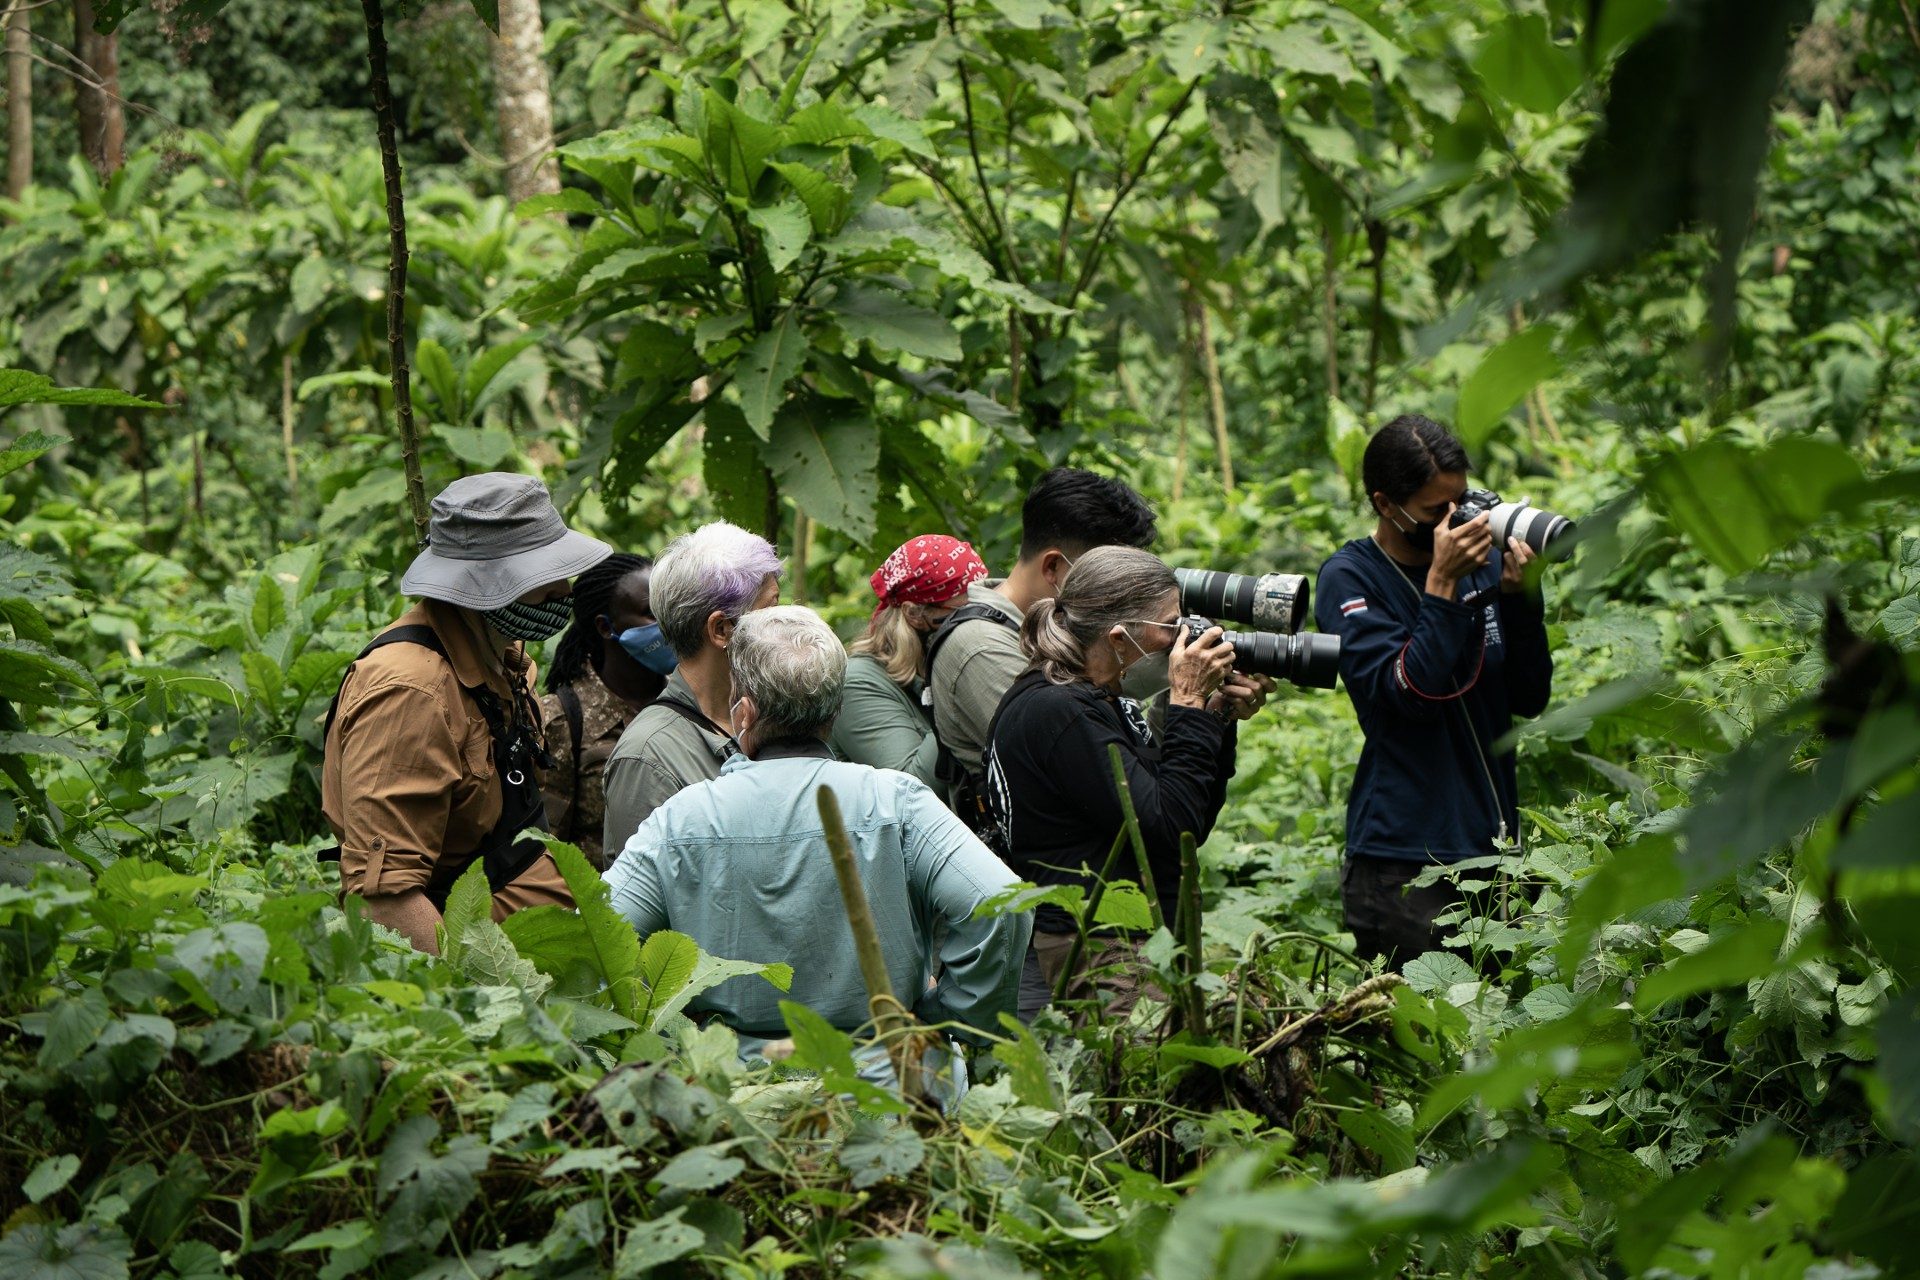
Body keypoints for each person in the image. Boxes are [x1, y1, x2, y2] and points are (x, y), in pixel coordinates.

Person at [605, 606, 1031, 1084]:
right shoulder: (896, 801)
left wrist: (667, 1038)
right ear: (835, 711)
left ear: (743, 712)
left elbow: (601, 939)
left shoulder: (680, 820)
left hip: (733, 1098)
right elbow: (1002, 903)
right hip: (893, 1092)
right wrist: (947, 1016)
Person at [321, 473, 611, 952]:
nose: (564, 588)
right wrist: (483, 995)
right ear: (483, 587)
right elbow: (385, 900)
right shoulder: (411, 694)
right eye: (543, 576)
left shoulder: (498, 653)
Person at [983, 546, 1273, 1020]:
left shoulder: (1100, 701)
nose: (1183, 639)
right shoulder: (1059, 712)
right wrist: (1185, 702)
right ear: (1120, 638)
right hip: (1103, 948)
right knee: (1142, 1087)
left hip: (1135, 938)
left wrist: (1212, 718)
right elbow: (1166, 824)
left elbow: (1184, 821)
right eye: (1170, 625)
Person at [1313, 415, 1554, 968]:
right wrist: (1441, 585)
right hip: (1406, 864)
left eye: (1461, 501)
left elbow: (1528, 697)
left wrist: (1519, 601)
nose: (1455, 521)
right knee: (1430, 1048)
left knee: (1499, 1042)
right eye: (1433, 511)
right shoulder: (1351, 578)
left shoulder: (1480, 560)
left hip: (1493, 850)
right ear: (1385, 504)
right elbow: (1409, 693)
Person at [928, 468, 1158, 834]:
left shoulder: (1056, 634)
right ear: (1053, 566)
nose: (1123, 594)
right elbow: (1102, 777)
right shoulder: (981, 647)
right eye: (1109, 577)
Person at [601, 521, 782, 856]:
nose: (785, 622)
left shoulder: (773, 713)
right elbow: (638, 902)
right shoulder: (648, 757)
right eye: (770, 609)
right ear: (721, 630)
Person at [538, 553, 671, 869]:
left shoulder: (692, 700)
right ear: (605, 627)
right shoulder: (562, 719)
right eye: (651, 613)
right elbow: (546, 849)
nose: (667, 623)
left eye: (670, 607)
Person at [829, 534, 989, 789]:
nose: (980, 620)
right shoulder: (858, 683)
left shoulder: (926, 667)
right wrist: (954, 683)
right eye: (964, 611)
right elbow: (911, 787)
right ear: (914, 614)